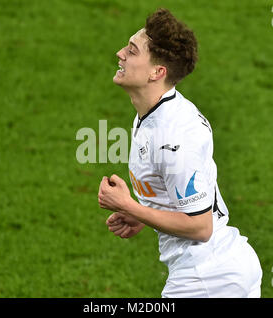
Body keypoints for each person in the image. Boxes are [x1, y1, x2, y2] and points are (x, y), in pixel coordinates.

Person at [98, 8, 262, 298]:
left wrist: (129, 206)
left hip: (207, 277)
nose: (119, 53)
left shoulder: (174, 138)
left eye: (132, 51)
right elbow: (180, 196)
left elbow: (201, 226)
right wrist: (144, 215)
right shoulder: (152, 112)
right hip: (221, 268)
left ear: (156, 73)